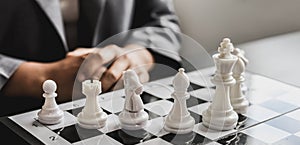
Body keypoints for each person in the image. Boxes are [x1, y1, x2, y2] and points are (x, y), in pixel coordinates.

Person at [0, 0, 181, 116]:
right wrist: (36, 77)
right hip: (14, 113)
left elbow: (163, 23)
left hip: (114, 107)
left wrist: (137, 55)